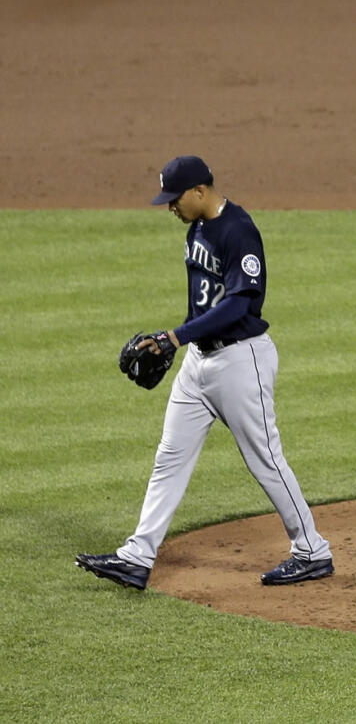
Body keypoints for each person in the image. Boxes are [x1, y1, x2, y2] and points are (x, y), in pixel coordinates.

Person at [76, 156, 334, 589]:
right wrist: (183, 344)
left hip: (241, 361)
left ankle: (312, 550)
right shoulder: (196, 228)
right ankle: (137, 557)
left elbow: (238, 304)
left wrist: (174, 337)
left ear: (200, 191)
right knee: (169, 458)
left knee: (265, 460)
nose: (170, 208)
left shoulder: (238, 231)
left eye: (175, 199)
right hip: (200, 362)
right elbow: (205, 302)